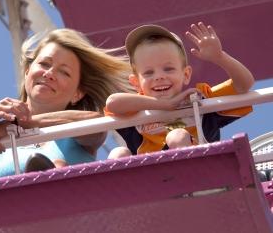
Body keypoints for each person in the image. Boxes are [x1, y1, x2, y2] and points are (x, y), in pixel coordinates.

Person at [0, 28, 133, 188]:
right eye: (44, 64)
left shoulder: (79, 131)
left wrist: (26, 124)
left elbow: (95, 124)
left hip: (64, 218)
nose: (49, 73)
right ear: (27, 72)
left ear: (78, 93)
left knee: (58, 166)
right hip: (1, 221)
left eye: (64, 72)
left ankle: (41, 190)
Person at [105, 22, 254, 157]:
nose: (159, 77)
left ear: (186, 74)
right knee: (118, 153)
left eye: (168, 69)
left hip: (201, 174)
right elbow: (112, 102)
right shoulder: (135, 107)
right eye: (149, 73)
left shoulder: (199, 98)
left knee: (177, 136)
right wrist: (167, 105)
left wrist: (220, 57)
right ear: (136, 82)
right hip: (149, 178)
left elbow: (244, 84)